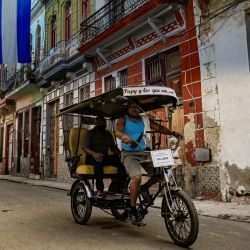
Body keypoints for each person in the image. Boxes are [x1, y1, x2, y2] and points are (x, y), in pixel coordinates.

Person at [116, 100, 182, 226]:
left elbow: (159, 128)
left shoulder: (145, 120)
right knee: (136, 177)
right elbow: (117, 131)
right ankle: (133, 210)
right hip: (129, 154)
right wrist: (124, 137)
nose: (134, 109)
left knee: (164, 171)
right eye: (132, 107)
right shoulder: (123, 119)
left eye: (136, 107)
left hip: (144, 152)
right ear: (128, 109)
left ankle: (144, 188)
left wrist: (173, 133)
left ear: (139, 109)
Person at [83, 115, 127, 198]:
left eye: (103, 122)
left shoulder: (108, 134)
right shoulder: (90, 133)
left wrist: (121, 154)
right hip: (91, 157)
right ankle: (100, 190)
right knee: (98, 163)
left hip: (104, 157)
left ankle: (119, 187)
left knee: (120, 163)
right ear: (95, 123)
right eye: (99, 122)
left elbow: (113, 148)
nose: (102, 124)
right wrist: (94, 154)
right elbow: (85, 148)